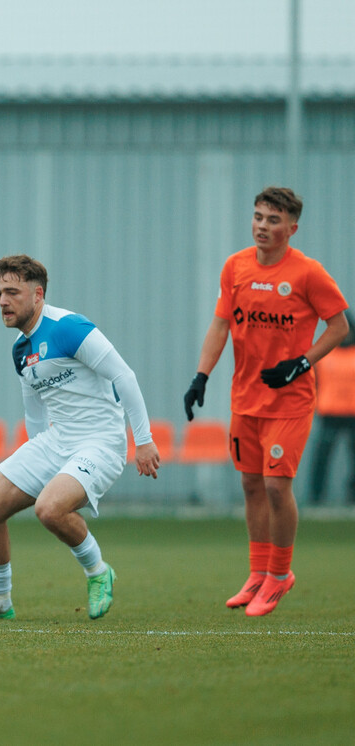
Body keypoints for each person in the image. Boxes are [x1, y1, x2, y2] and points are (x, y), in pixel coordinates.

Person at [0, 254, 159, 621]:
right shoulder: (20, 348)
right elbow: (35, 410)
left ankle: (99, 572)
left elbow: (124, 376)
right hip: (56, 442)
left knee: (49, 509)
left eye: (12, 292)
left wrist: (142, 440)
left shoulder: (68, 327)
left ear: (38, 294)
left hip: (100, 442)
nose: (2, 300)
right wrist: (37, 460)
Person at [184, 186, 349, 617]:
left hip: (290, 401)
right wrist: (201, 376)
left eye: (273, 220)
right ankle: (257, 573)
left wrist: (301, 362)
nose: (262, 226)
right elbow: (220, 325)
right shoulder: (235, 267)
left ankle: (280, 574)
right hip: (245, 399)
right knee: (251, 484)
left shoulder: (308, 273)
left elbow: (338, 326)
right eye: (258, 217)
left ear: (292, 228)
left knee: (278, 487)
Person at [307, 311, 355, 505]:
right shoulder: (325, 353)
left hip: (352, 413)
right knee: (322, 458)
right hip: (329, 412)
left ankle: (352, 496)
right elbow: (313, 382)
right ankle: (316, 497)